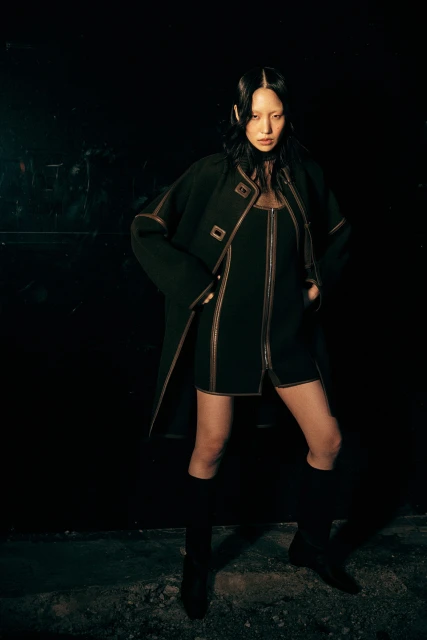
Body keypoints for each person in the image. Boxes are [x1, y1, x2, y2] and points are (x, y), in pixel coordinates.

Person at [131, 66, 360, 620]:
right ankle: (196, 566)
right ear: (239, 115)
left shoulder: (304, 174)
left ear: (287, 115)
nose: (266, 127)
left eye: (275, 115)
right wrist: (198, 289)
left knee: (327, 440)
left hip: (286, 335)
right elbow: (146, 229)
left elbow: (338, 235)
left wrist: (315, 287)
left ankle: (310, 546)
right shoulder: (211, 173)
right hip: (223, 334)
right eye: (255, 115)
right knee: (210, 446)